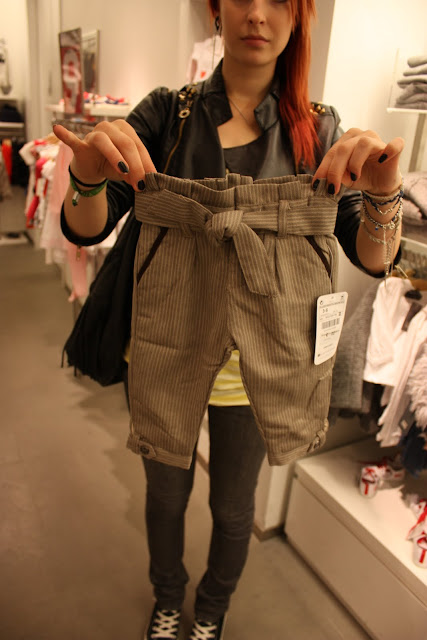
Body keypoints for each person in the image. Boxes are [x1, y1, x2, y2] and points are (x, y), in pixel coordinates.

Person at [54, 1, 404, 638]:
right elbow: (90, 226)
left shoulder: (320, 130)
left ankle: (212, 609)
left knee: (234, 504)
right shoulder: (168, 113)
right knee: (165, 496)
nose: (258, 14)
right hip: (166, 344)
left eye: (279, 1)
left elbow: (371, 256)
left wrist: (383, 194)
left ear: (299, 17)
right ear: (216, 9)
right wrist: (86, 179)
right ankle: (168, 598)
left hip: (265, 362)